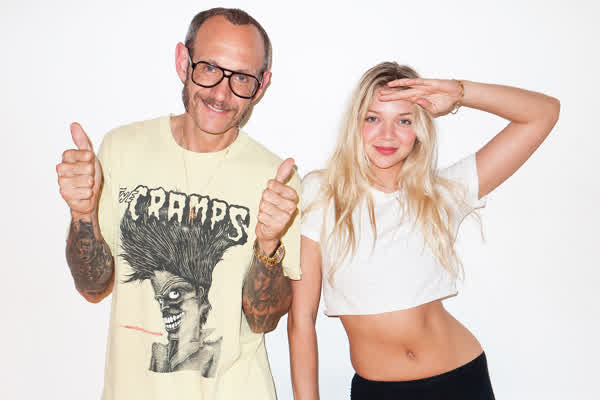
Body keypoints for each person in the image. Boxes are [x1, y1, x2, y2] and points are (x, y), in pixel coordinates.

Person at [56, 8, 301, 400]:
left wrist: (268, 245)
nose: (221, 93)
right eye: (209, 68)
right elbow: (92, 287)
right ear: (183, 62)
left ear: (261, 85)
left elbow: (264, 320)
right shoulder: (122, 148)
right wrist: (82, 213)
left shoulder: (275, 178)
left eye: (241, 78)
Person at [288, 62, 559, 399]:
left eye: (404, 121)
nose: (388, 135)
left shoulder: (442, 193)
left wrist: (458, 92)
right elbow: (301, 319)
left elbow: (543, 113)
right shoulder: (320, 193)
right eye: (373, 118)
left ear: (420, 129)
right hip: (379, 391)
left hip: (462, 381)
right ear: (354, 124)